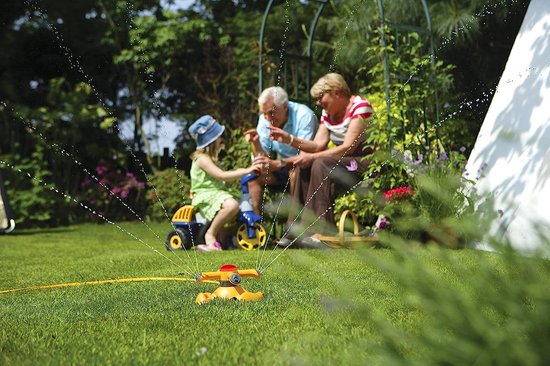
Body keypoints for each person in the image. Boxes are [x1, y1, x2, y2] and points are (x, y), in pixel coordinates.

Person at [268, 73, 375, 241]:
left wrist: (312, 157)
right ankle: (294, 230)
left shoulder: (361, 107)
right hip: (341, 163)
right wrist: (288, 139)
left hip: (365, 163)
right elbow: (318, 145)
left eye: (320, 97)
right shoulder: (328, 114)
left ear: (336, 93)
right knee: (305, 165)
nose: (317, 103)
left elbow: (348, 147)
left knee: (319, 162)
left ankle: (321, 230)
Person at [189, 115, 262, 252]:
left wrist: (247, 169)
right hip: (206, 194)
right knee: (231, 205)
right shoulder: (202, 159)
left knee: (244, 203)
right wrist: (245, 171)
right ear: (212, 139)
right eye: (219, 136)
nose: (221, 139)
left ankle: (227, 237)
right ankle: (210, 235)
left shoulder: (213, 159)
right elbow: (221, 175)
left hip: (217, 193)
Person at [244, 86, 318, 213]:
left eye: (271, 113)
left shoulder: (304, 116)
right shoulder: (265, 119)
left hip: (309, 168)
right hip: (283, 167)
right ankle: (257, 228)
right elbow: (263, 155)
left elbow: (304, 158)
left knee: (295, 173)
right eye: (264, 113)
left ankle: (297, 225)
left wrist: (278, 164)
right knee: (252, 178)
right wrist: (256, 143)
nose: (267, 118)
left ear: (285, 106)